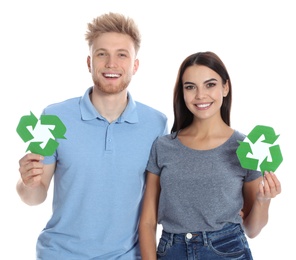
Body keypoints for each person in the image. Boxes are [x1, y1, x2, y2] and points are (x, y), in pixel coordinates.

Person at [16, 12, 168, 260]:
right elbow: (34, 196)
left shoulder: (156, 124)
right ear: (89, 63)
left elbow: (160, 199)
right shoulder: (53, 117)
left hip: (127, 256)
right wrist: (27, 183)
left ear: (135, 66)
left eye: (122, 54)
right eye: (102, 54)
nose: (111, 63)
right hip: (60, 254)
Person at [139, 51, 281, 260]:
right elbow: (148, 221)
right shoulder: (163, 146)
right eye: (190, 87)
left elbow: (252, 229)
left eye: (210, 84)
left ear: (225, 87)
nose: (200, 95)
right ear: (182, 92)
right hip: (171, 251)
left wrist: (263, 199)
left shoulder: (246, 148)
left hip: (227, 250)